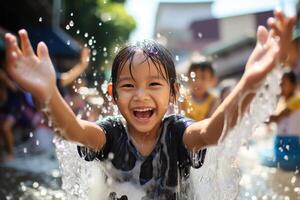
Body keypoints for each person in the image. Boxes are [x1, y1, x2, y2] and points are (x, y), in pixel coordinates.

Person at [4, 10, 294, 200]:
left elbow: (212, 133)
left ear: (173, 94)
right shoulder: (111, 133)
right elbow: (73, 130)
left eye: (154, 84)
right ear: (113, 95)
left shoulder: (177, 131)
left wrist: (250, 81)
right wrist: (47, 91)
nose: (141, 95)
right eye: (128, 86)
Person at [261, 69, 300, 170]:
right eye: (279, 84)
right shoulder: (281, 101)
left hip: (294, 149)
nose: (280, 87)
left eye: (283, 84)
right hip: (280, 146)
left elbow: (275, 118)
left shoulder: (297, 100)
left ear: (293, 86)